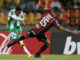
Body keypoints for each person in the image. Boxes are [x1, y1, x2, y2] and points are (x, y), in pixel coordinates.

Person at [7, 7, 79, 58]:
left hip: (34, 29)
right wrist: (72, 31)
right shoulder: (53, 20)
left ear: (52, 10)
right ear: (57, 13)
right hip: (40, 33)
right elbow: (61, 28)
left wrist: (39, 19)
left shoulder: (47, 14)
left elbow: (40, 18)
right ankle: (37, 54)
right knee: (48, 43)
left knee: (25, 36)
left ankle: (13, 43)